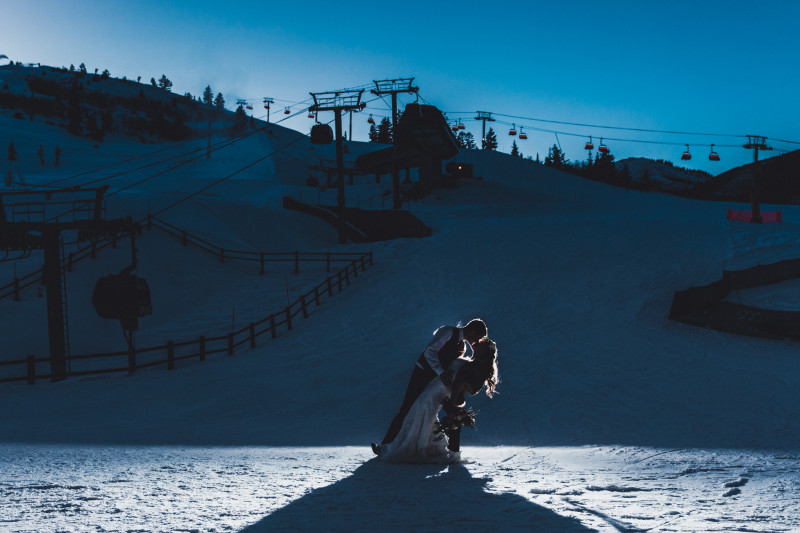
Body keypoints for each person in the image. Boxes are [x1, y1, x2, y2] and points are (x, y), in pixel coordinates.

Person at [376, 337, 499, 463]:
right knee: (424, 412)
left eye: (479, 344)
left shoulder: (473, 365)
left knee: (422, 410)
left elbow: (461, 382)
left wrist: (452, 400)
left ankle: (413, 447)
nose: (475, 343)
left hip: (439, 389)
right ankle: (419, 445)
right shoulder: (471, 362)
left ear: (484, 351)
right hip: (437, 387)